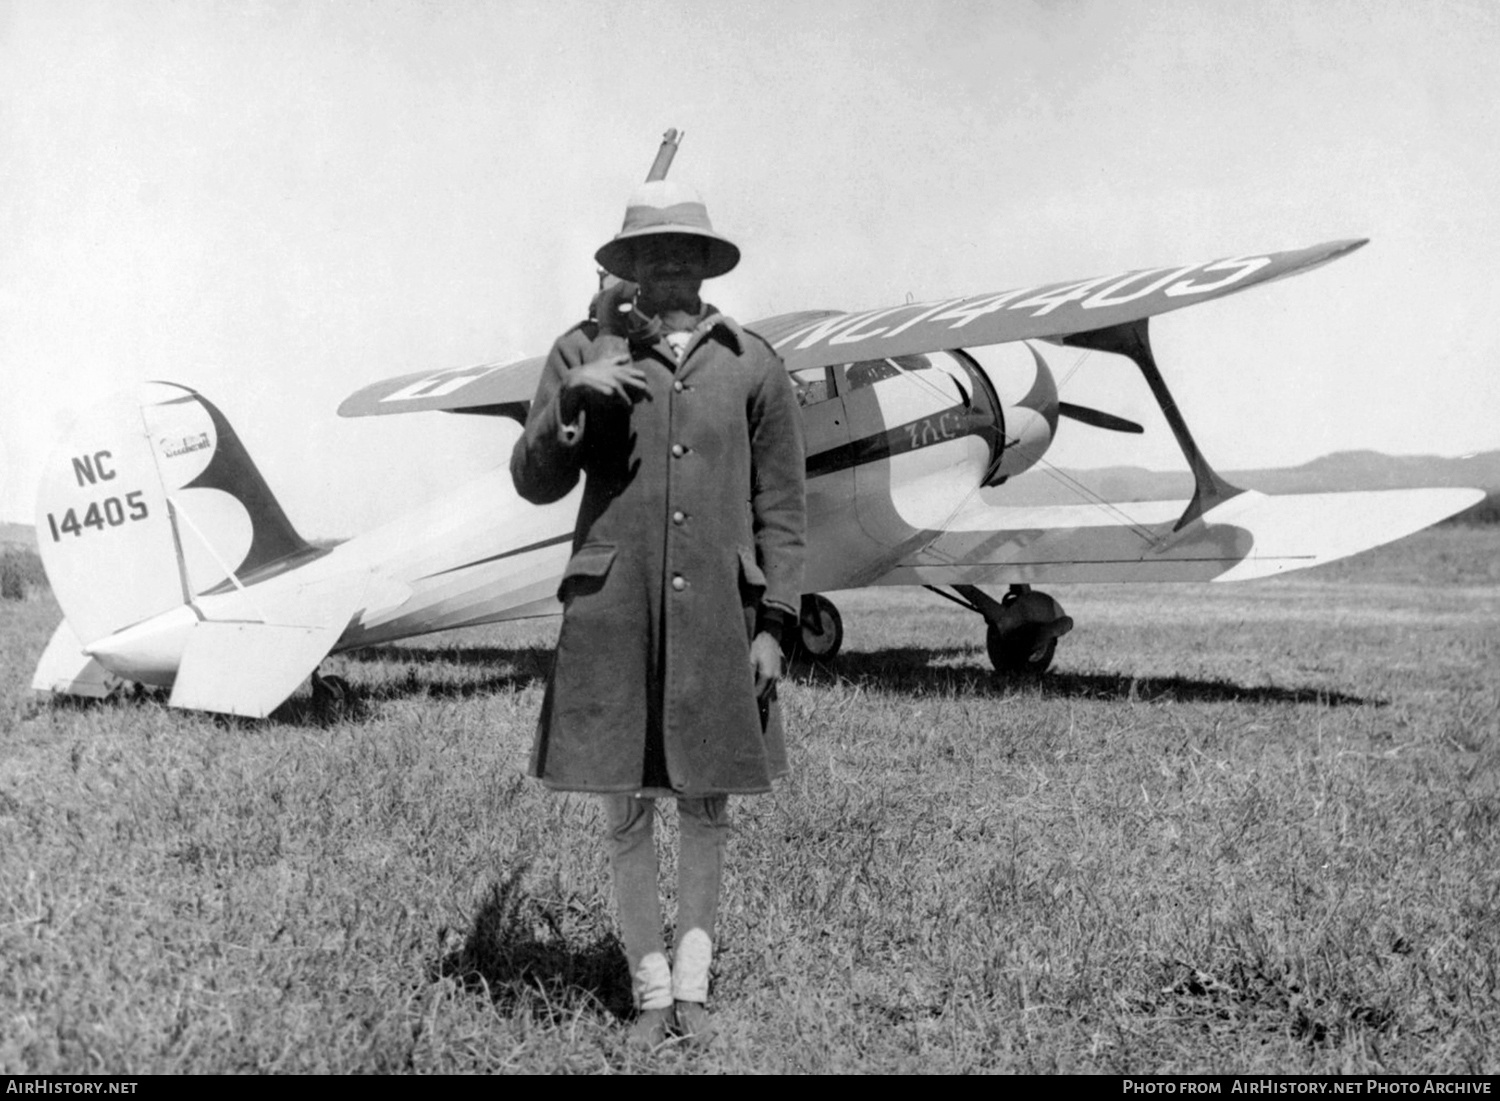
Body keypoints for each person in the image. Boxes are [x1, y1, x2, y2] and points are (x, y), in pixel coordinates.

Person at [510, 179, 806, 1049]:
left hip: (721, 611)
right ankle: (646, 992)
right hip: (616, 611)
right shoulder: (581, 348)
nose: (669, 269)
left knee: (707, 803)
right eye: (652, 254)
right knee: (627, 808)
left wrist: (775, 622)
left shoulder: (753, 362)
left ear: (707, 268)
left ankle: (695, 988)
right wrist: (574, 396)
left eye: (688, 254)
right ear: (627, 267)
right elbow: (532, 481)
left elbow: (782, 505)